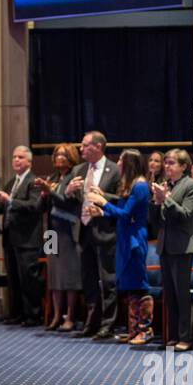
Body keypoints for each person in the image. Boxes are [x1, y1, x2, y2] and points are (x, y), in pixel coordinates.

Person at [55, 132, 122, 339]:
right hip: (82, 231)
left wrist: (103, 196)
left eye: (85, 146)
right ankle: (91, 323)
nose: (81, 149)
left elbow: (122, 199)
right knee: (89, 280)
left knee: (108, 280)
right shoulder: (78, 169)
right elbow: (67, 202)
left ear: (98, 146)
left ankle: (108, 324)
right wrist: (68, 191)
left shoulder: (114, 170)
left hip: (105, 231)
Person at [86, 149, 153, 344]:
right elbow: (121, 211)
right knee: (130, 285)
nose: (119, 163)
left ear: (129, 163)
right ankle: (133, 330)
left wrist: (104, 203)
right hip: (125, 236)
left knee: (139, 285)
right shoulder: (131, 184)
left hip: (134, 238)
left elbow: (125, 214)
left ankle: (145, 330)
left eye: (122, 160)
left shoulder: (140, 185)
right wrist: (102, 213)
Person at [0, 145, 45, 326]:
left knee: (28, 279)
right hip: (10, 238)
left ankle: (33, 315)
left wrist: (10, 200)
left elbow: (34, 206)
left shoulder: (34, 181)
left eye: (21, 157)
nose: (16, 160)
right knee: (13, 278)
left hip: (28, 239)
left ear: (29, 161)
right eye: (14, 157)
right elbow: (2, 207)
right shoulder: (11, 181)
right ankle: (17, 313)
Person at [153, 148, 193, 351]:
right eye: (166, 162)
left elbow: (185, 215)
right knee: (169, 294)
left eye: (171, 163)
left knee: (182, 294)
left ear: (183, 166)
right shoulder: (167, 185)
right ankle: (172, 335)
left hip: (182, 247)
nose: (166, 166)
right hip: (165, 245)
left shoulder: (191, 185)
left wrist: (166, 200)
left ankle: (185, 338)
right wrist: (156, 203)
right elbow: (156, 220)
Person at [37, 143, 83, 332]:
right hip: (51, 232)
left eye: (63, 155)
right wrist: (43, 195)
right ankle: (56, 315)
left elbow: (71, 202)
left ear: (71, 157)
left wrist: (52, 191)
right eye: (57, 154)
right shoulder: (52, 177)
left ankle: (70, 317)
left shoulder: (75, 177)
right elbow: (40, 208)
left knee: (69, 275)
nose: (59, 158)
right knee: (54, 275)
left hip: (68, 231)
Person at [145, 150, 165, 241]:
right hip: (144, 222)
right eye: (151, 160)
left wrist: (152, 189)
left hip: (158, 223)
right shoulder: (143, 179)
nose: (152, 163)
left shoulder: (164, 182)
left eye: (156, 161)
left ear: (162, 165)